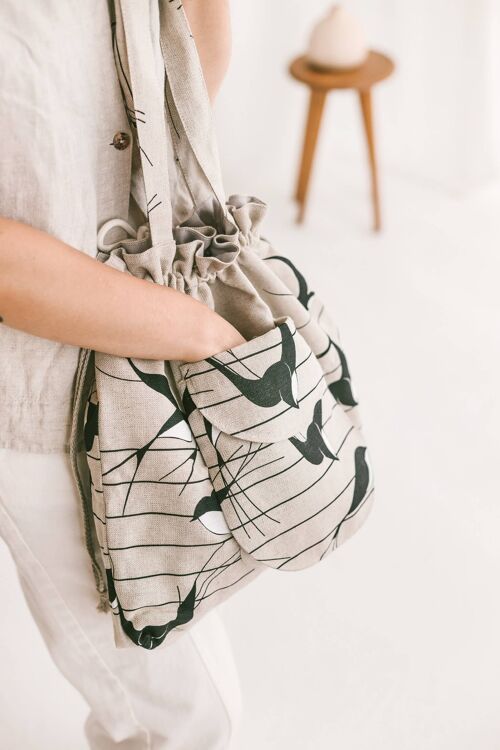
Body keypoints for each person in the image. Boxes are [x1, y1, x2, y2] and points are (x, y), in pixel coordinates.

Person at [0, 1, 244, 747]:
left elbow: (181, 98)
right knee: (187, 713)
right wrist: (199, 332)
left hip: (149, 342)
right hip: (41, 390)